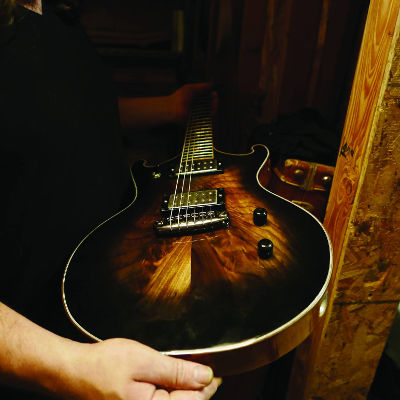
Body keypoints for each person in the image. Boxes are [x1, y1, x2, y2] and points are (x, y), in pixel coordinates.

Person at [0, 0, 221, 399]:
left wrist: (167, 108)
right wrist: (71, 366)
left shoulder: (53, 13)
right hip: (45, 357)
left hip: (118, 290)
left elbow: (62, 114)